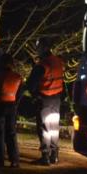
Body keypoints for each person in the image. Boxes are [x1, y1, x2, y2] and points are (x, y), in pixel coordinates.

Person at [25, 37, 65, 165]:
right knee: (54, 127)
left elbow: (31, 84)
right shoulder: (58, 61)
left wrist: (34, 95)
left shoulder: (42, 65)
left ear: (44, 47)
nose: (37, 49)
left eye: (38, 47)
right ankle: (55, 155)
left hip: (45, 100)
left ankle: (45, 156)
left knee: (44, 128)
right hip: (56, 100)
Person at [0, 56, 24, 167]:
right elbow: (20, 93)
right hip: (12, 106)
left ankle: (0, 160)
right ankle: (14, 160)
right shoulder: (18, 77)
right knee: (11, 133)